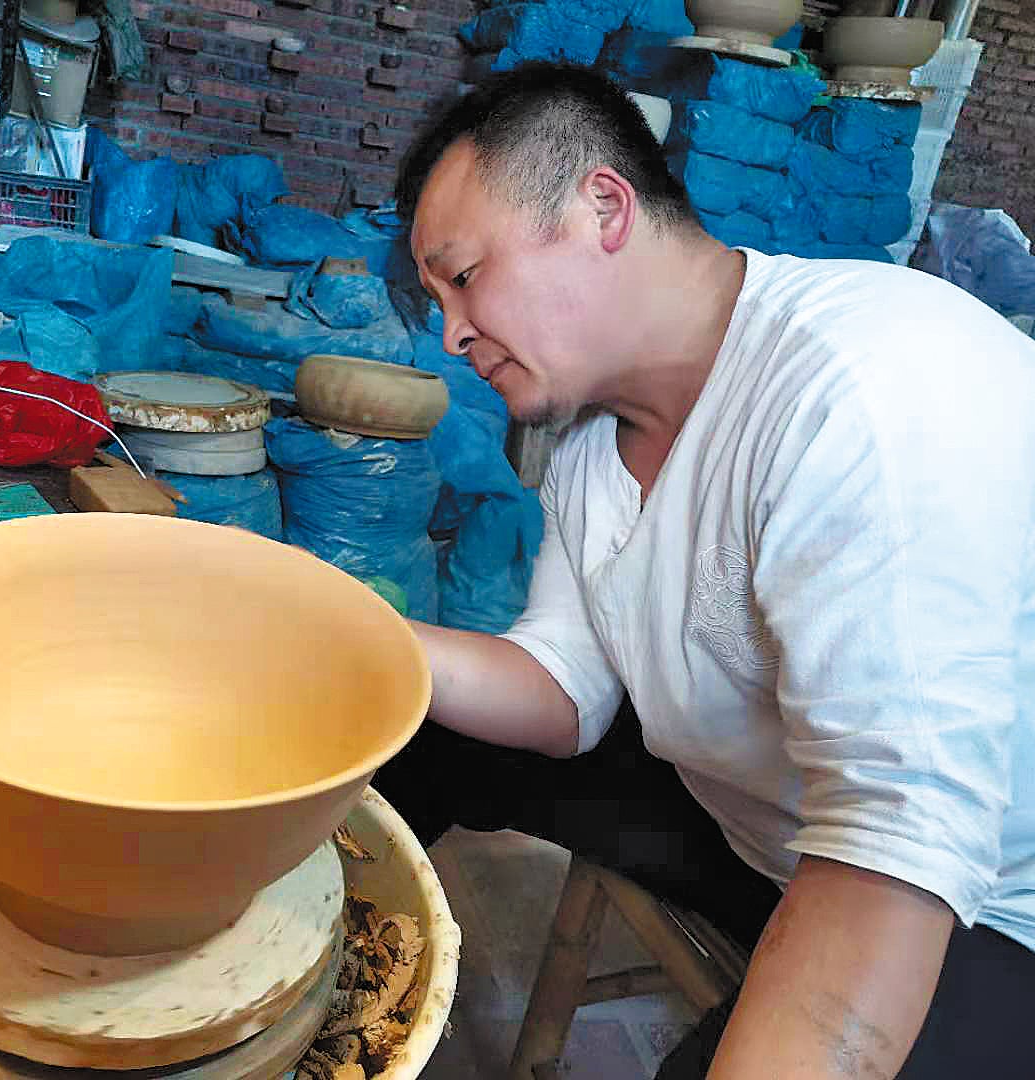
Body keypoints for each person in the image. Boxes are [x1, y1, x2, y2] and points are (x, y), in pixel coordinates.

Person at [376, 60, 1035, 1078]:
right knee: (404, 728)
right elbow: (565, 691)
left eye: (463, 276)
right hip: (764, 815)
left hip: (980, 901)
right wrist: (341, 626)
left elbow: (899, 836)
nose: (454, 330)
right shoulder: (596, 444)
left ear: (603, 205)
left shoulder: (864, 387)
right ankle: (279, 950)